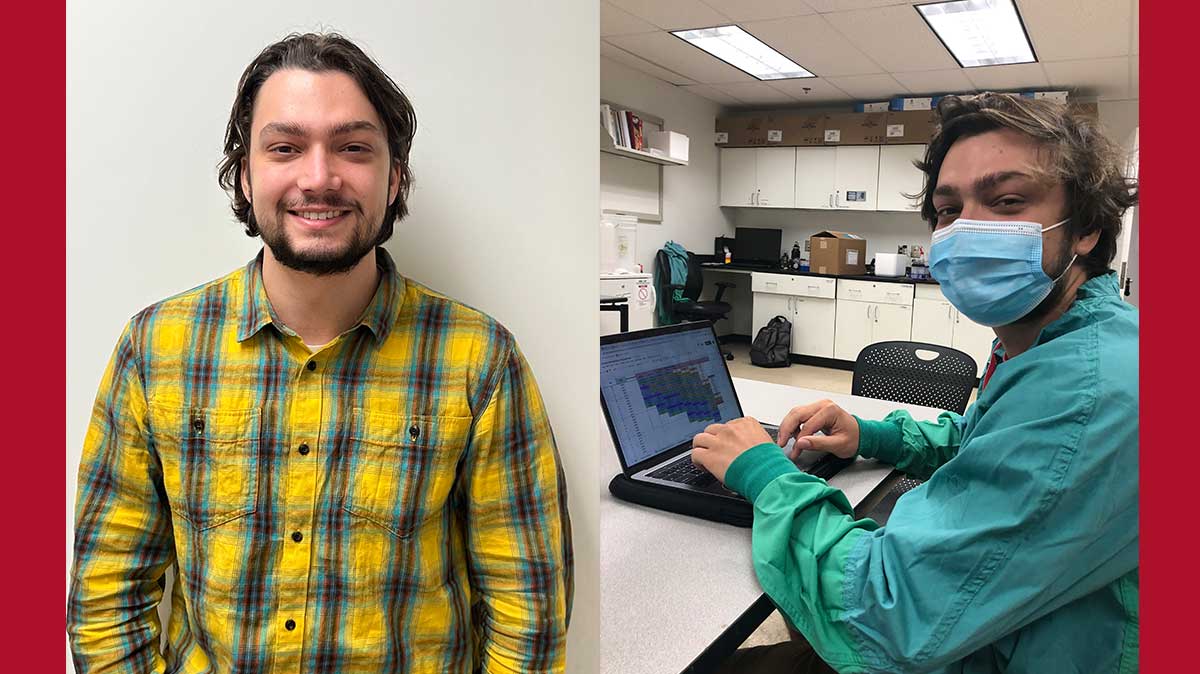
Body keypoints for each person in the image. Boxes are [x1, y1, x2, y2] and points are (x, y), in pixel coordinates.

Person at [67, 33, 572, 673]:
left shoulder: (481, 360)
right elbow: (106, 594)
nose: (319, 177)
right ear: (245, 177)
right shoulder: (154, 349)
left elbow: (528, 611)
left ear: (395, 178)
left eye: (353, 147)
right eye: (285, 147)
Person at [692, 93, 1138, 673]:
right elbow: (988, 445)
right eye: (949, 209)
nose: (967, 227)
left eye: (1007, 201)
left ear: (1086, 230)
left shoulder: (1085, 391)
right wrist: (872, 437)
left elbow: (888, 610)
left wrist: (764, 474)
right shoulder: (1061, 340)